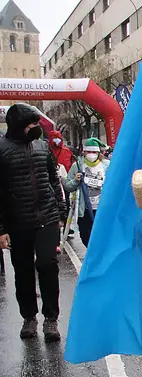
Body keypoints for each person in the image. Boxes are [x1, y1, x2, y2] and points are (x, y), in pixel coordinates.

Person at [0, 103, 68, 342]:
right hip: (17, 223)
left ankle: (51, 319)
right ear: (18, 126)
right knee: (23, 271)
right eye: (31, 124)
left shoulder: (41, 147)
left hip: (47, 218)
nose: (35, 128)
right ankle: (29, 317)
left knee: (48, 264)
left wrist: (61, 212)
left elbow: (53, 179)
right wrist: (1, 230)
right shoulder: (2, 149)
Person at [63, 138, 109, 247]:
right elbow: (67, 186)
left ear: (99, 153)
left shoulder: (107, 165)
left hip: (102, 209)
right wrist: (75, 180)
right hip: (84, 210)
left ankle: (97, 260)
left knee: (102, 237)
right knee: (85, 236)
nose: (91, 154)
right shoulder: (78, 165)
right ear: (84, 152)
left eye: (94, 152)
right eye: (89, 152)